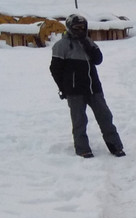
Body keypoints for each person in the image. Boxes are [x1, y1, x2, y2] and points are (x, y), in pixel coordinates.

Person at [49, 14, 126, 159]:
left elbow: (98, 60)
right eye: (77, 28)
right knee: (79, 121)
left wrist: (86, 43)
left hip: (94, 89)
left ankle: (115, 146)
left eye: (83, 27)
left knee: (105, 117)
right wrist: (63, 88)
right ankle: (82, 148)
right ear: (70, 28)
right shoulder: (61, 46)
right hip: (74, 91)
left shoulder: (88, 42)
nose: (80, 30)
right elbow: (55, 70)